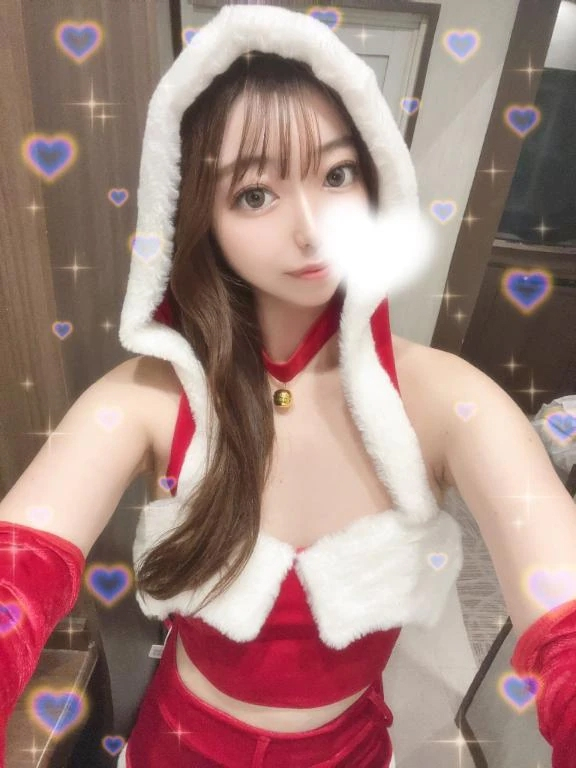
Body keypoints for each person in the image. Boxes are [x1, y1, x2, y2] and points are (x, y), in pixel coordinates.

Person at [1, 5, 576, 768]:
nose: (312, 227)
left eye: (337, 174)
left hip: (349, 751)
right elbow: (17, 570)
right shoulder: (145, 399)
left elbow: (566, 620)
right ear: (196, 216)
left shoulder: (450, 402)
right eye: (254, 194)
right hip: (177, 747)